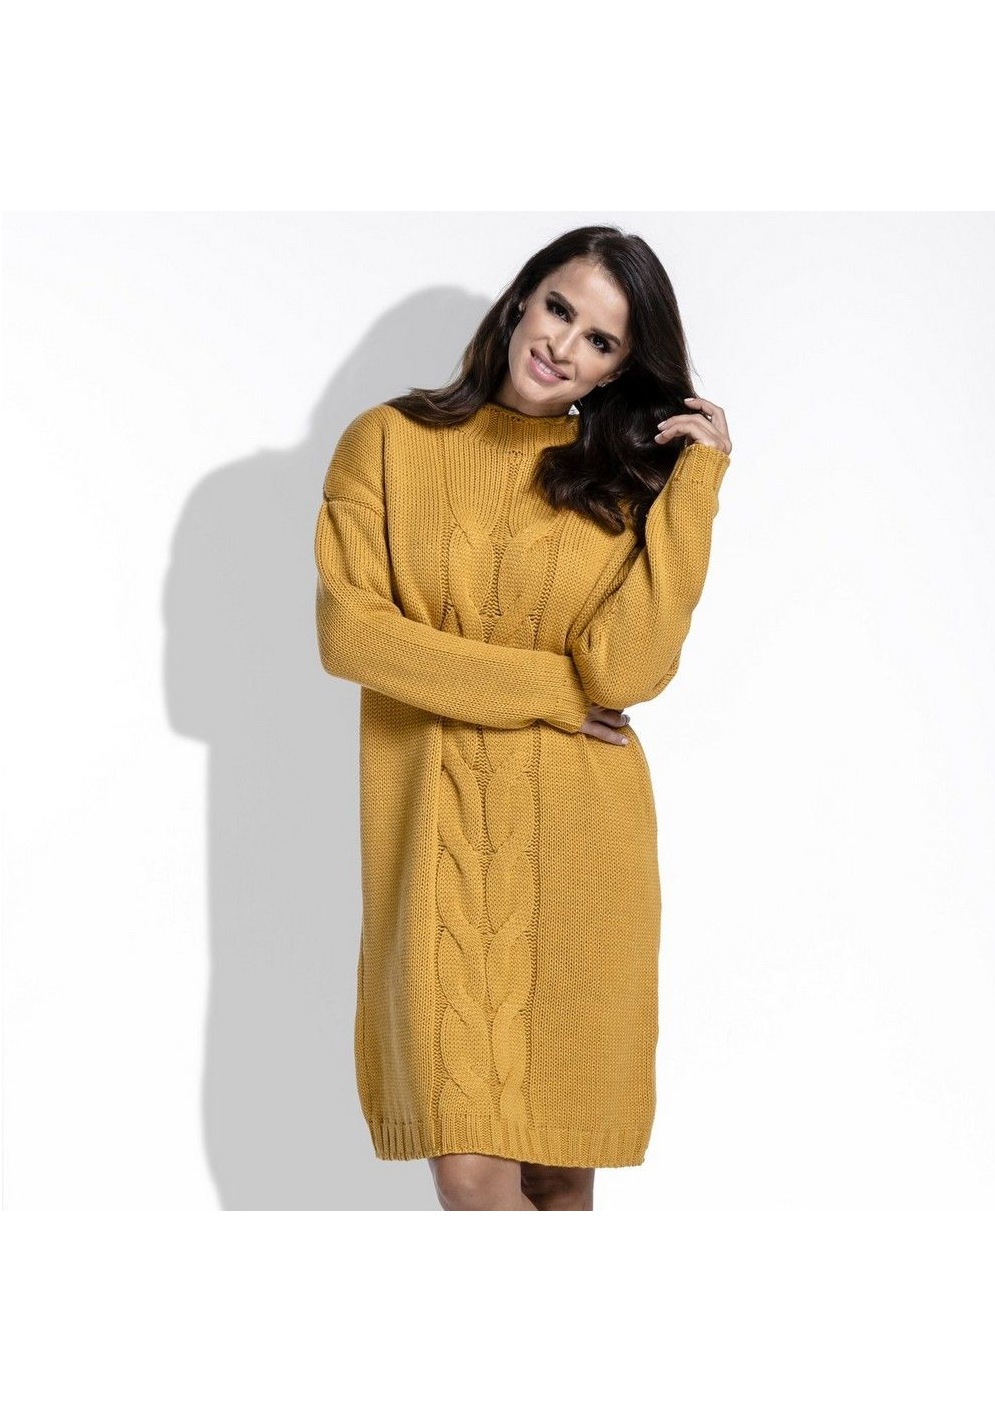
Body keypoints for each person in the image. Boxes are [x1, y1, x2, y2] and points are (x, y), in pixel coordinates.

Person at [313, 224, 733, 1211]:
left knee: (557, 1178)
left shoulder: (623, 477)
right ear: (519, 300)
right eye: (558, 309)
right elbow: (352, 636)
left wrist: (696, 487)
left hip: (581, 850)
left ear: (620, 369)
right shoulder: (387, 441)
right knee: (474, 1175)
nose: (563, 346)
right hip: (440, 848)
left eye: (601, 341)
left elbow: (624, 671)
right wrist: (550, 693)